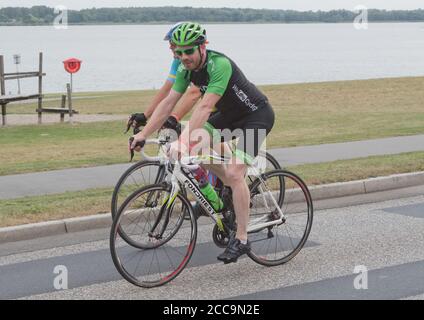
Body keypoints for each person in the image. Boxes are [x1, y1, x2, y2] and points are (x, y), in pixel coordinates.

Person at [131, 22, 275, 264]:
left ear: (202, 47)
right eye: (179, 52)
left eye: (189, 51)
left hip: (256, 117)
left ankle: (241, 239)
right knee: (196, 155)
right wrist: (143, 133)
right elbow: (168, 103)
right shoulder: (186, 70)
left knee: (235, 172)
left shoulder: (219, 65)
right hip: (229, 117)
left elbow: (205, 107)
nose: (183, 57)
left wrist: (184, 142)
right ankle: (223, 196)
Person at [128, 22, 202, 131]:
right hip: (212, 107)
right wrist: (145, 115)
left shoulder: (196, 62)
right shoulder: (178, 62)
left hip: (222, 106)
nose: (170, 47)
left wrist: (174, 118)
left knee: (198, 138)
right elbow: (167, 90)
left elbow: (195, 92)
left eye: (172, 43)